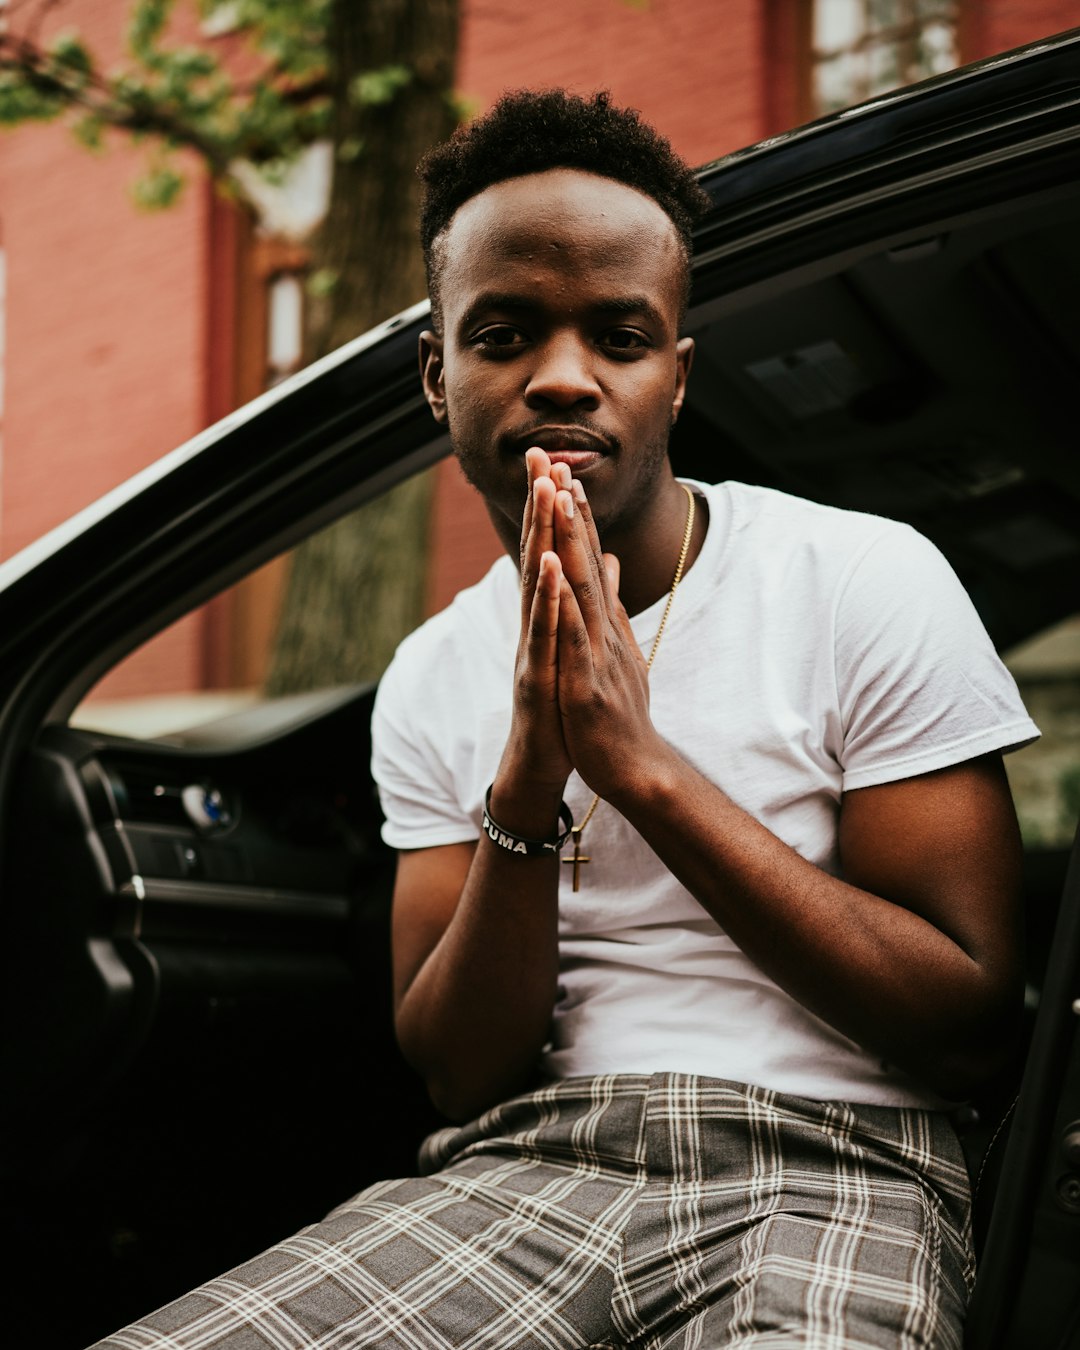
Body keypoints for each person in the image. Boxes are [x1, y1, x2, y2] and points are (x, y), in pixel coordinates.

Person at [94, 90, 1038, 1350]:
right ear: (439, 376)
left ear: (676, 376)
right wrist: (530, 781)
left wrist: (638, 765)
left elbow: (969, 1031)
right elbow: (458, 1071)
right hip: (526, 1168)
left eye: (620, 336)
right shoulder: (435, 671)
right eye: (503, 334)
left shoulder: (861, 578)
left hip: (838, 1164)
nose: (561, 378)